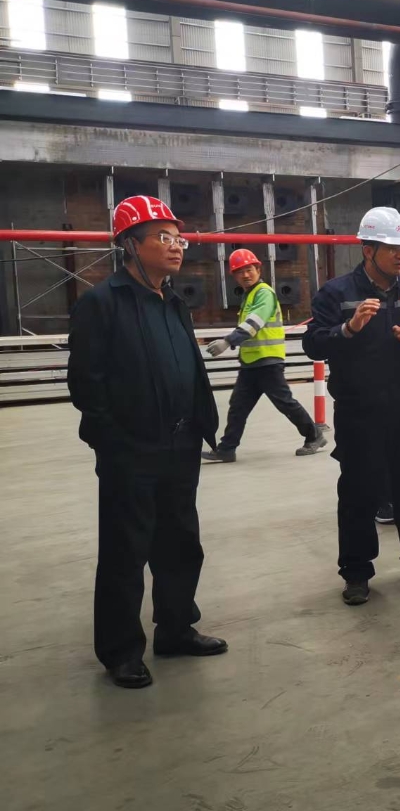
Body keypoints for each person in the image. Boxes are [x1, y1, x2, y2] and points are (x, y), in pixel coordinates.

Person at [67, 195, 227, 689]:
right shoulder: (101, 303)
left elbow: (189, 369)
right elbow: (86, 384)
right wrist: (113, 442)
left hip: (181, 446)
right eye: (164, 237)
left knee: (181, 545)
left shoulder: (173, 302)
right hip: (130, 452)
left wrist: (200, 424)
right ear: (130, 245)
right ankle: (120, 651)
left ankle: (176, 630)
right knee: (125, 552)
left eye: (179, 238)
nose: (176, 246)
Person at [302, 206, 400, 606]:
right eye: (393, 248)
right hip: (358, 412)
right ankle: (356, 572)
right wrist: (347, 329)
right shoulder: (337, 293)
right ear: (368, 250)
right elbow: (312, 343)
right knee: (358, 494)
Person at [201, 248, 326, 462]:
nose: (245, 275)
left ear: (258, 269)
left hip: (267, 361)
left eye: (249, 269)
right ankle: (227, 449)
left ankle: (314, 435)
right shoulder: (249, 296)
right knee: (238, 407)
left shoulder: (263, 293)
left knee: (284, 402)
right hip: (251, 363)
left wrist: (228, 341)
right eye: (240, 272)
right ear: (234, 276)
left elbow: (255, 322)